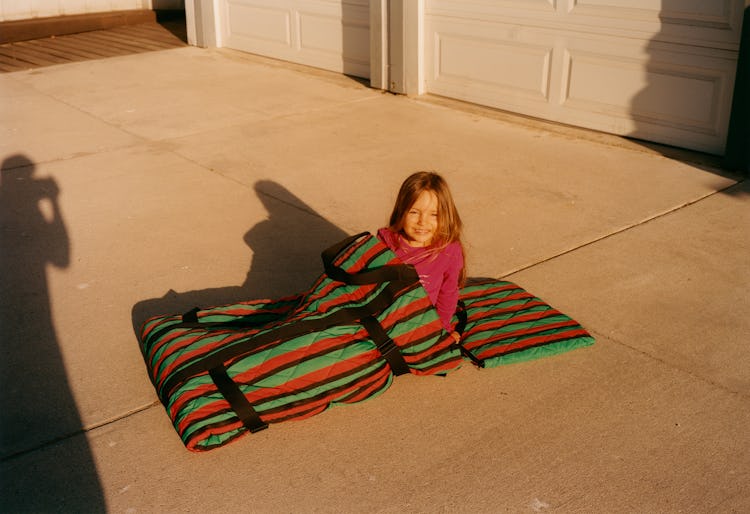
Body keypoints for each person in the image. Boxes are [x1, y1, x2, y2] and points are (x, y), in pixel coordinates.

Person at [377, 171, 466, 342]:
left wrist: (442, 330)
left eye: (434, 215)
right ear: (401, 212)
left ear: (445, 216)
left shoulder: (448, 250)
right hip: (385, 320)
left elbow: (448, 293)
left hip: (422, 322)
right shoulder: (387, 242)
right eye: (414, 212)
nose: (422, 222)